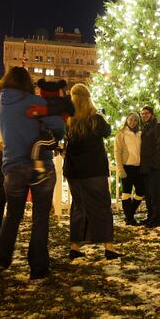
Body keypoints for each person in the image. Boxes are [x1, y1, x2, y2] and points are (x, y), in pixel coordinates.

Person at [0, 66, 65, 280]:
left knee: (13, 215)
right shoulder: (34, 102)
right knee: (40, 217)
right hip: (40, 165)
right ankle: (38, 267)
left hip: (12, 167)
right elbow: (59, 126)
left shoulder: (0, 107)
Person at [63, 84, 121, 259]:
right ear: (89, 98)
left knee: (79, 207)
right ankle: (108, 247)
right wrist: (101, 115)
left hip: (74, 171)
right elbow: (108, 131)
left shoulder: (69, 119)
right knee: (102, 206)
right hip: (94, 169)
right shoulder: (95, 118)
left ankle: (75, 246)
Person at [139, 106, 160, 228]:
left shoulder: (158, 127)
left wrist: (154, 164)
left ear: (152, 114)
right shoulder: (145, 128)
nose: (144, 115)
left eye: (146, 113)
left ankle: (156, 219)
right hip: (145, 167)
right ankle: (150, 216)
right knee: (148, 194)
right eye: (142, 114)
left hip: (155, 167)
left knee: (155, 193)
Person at [114, 113, 143, 226]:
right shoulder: (121, 134)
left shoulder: (140, 134)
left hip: (138, 167)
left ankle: (129, 214)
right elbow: (117, 152)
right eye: (131, 119)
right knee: (126, 193)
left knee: (141, 191)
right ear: (126, 120)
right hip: (127, 167)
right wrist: (120, 169)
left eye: (135, 120)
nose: (133, 121)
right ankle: (130, 219)